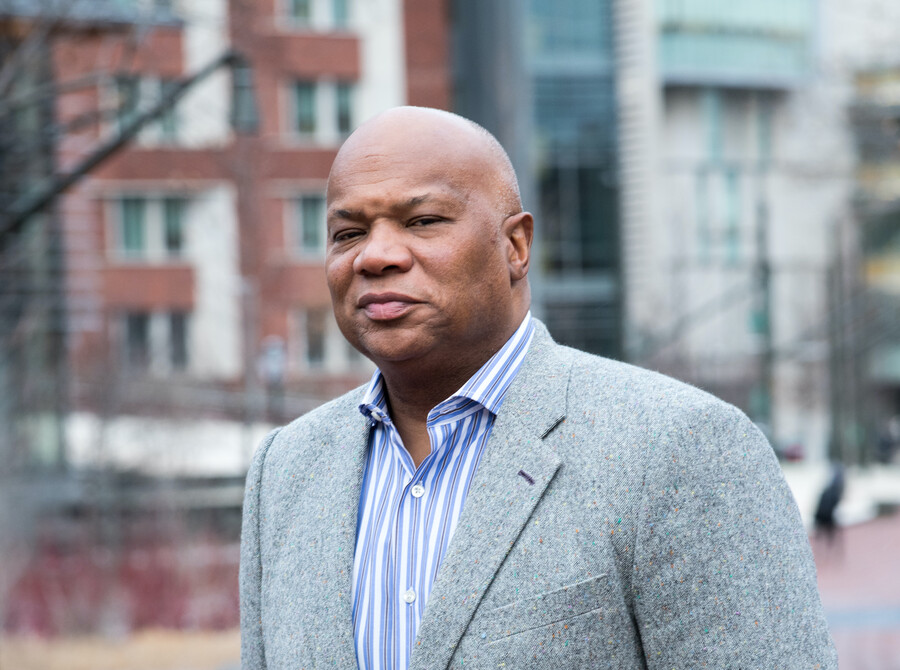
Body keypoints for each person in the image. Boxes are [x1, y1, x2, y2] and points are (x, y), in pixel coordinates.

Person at [240, 107, 837, 669]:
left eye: (422, 221)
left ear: (516, 247)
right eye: (348, 233)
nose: (376, 256)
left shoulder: (682, 448)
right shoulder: (284, 471)